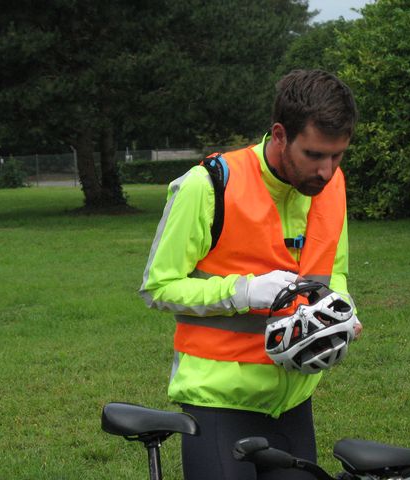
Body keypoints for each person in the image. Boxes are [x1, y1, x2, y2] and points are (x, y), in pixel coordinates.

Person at [139, 69, 361, 480]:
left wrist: (341, 309)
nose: (327, 171)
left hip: (295, 399)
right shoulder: (208, 186)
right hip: (219, 399)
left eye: (338, 155)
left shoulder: (329, 185)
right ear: (280, 135)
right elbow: (157, 286)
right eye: (314, 155)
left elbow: (335, 269)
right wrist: (244, 292)